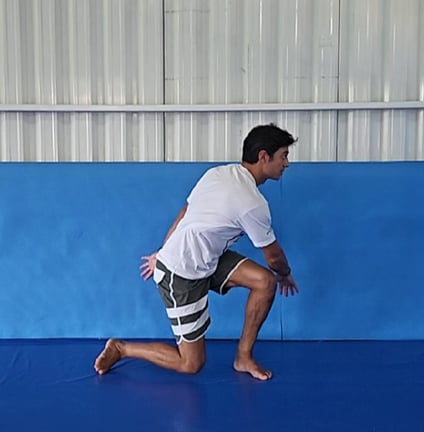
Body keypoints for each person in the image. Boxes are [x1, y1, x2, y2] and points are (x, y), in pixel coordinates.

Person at [94, 123, 299, 381]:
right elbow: (274, 257)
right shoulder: (252, 204)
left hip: (208, 259)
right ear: (263, 156)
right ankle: (121, 348)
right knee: (190, 364)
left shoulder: (217, 173)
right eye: (283, 156)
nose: (287, 163)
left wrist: (162, 249)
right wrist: (285, 274)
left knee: (264, 282)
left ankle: (243, 358)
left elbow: (185, 213)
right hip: (182, 272)